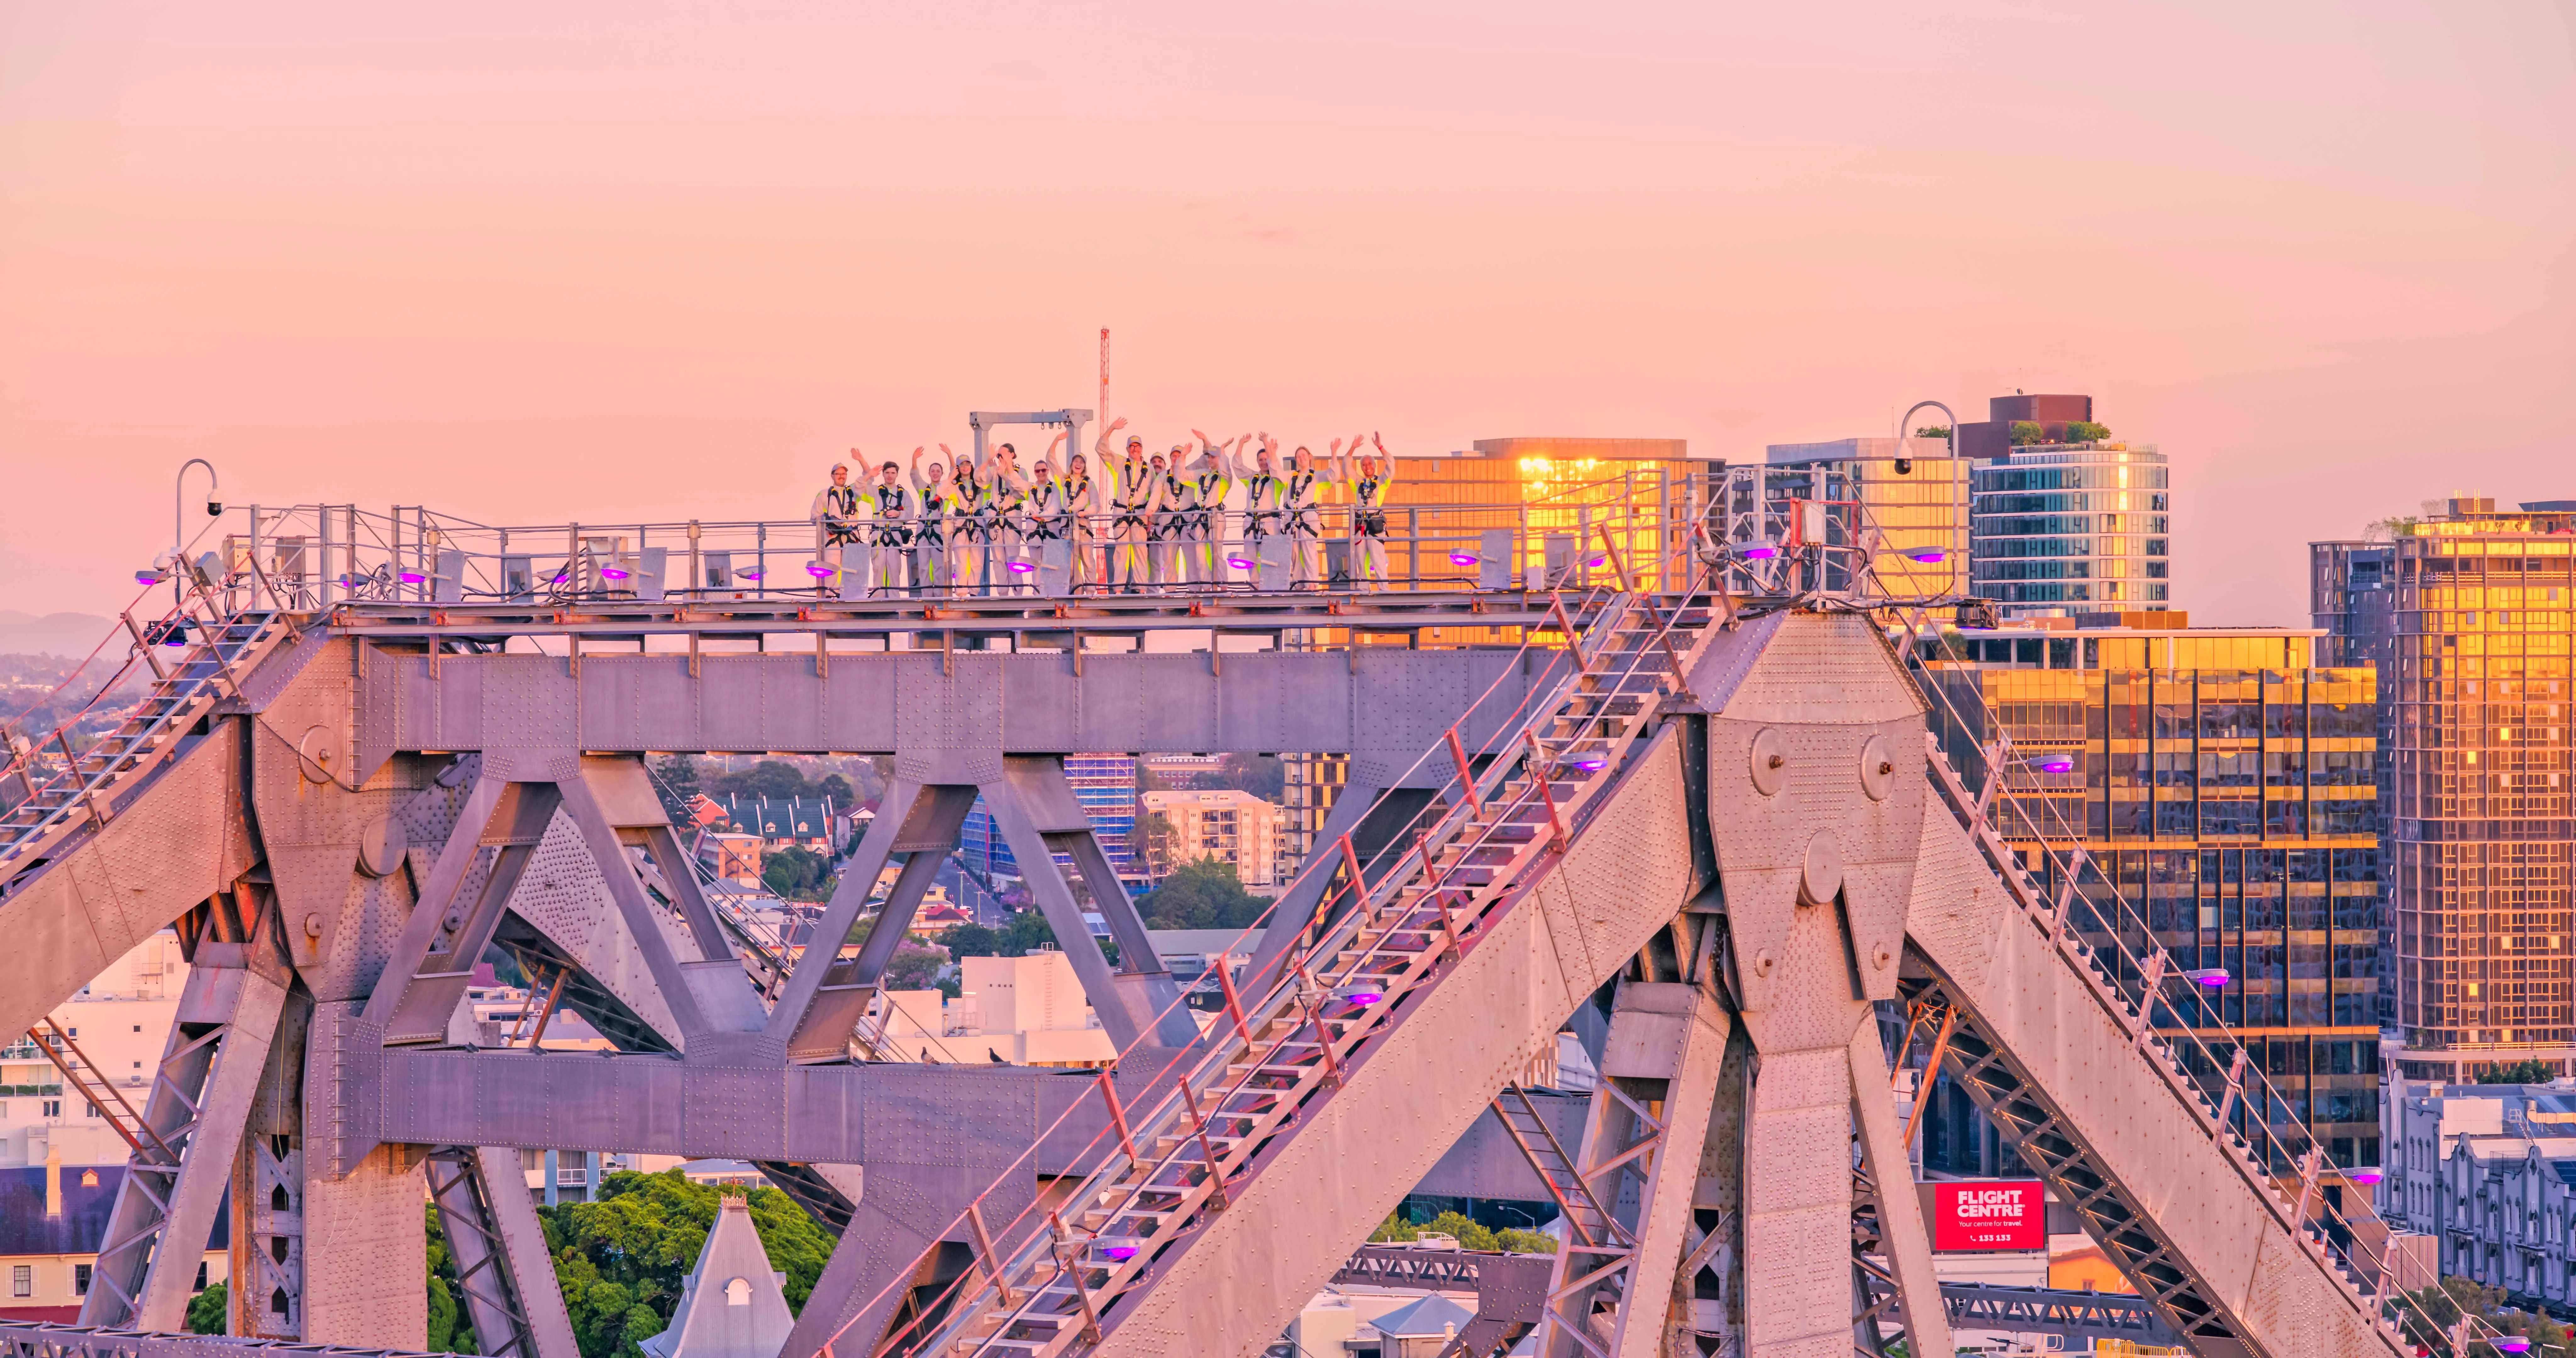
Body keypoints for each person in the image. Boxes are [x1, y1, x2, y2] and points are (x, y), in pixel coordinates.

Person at [1098, 420, 1158, 592]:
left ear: (1142, 449)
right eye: (1131, 447)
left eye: (1137, 446)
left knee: (1140, 551)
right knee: (1121, 552)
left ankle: (1141, 588)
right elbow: (1101, 449)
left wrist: (1151, 520)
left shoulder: (1150, 470)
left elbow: (1155, 496)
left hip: (1140, 514)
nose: (1135, 449)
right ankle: (1118, 587)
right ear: (1127, 450)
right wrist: (1111, 430)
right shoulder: (1119, 463)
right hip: (1121, 512)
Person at [1013, 432, 1075, 591]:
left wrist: (1056, 440)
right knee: (1036, 566)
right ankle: (1037, 594)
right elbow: (1015, 482)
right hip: (1035, 533)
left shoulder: (1056, 487)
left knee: (1052, 565)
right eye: (1038, 471)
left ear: (1047, 471)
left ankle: (1052, 594)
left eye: (1043, 470)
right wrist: (1007, 463)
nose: (1041, 473)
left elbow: (1055, 507)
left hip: (1052, 531)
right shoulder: (1031, 488)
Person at [1334, 432, 1394, 589]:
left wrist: (1380, 447)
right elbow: (1346, 468)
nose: (1367, 467)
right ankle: (1363, 589)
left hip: (1375, 525)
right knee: (1361, 560)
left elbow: (1391, 466)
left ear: (1375, 466)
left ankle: (1384, 589)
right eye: (1364, 465)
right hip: (1360, 525)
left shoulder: (1382, 481)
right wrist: (1353, 448)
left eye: (1370, 464)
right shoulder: (1357, 482)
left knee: (1378, 559)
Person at [1182, 429, 1240, 587]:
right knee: (1201, 555)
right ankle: (1206, 586)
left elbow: (1226, 470)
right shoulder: (1203, 474)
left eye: (1213, 457)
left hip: (1216, 516)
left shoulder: (1224, 479)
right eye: (1209, 456)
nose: (1210, 459)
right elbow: (1182, 476)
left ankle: (1222, 586)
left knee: (1217, 554)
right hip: (1201, 518)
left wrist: (1223, 449)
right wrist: (1183, 457)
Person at [1235, 433, 1286, 588]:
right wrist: (1241, 443)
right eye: (1261, 460)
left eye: (1266, 459)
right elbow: (1237, 466)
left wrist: (1268, 445)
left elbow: (1275, 465)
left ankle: (1271, 589)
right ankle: (1255, 587)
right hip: (1251, 522)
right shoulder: (1252, 477)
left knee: (1270, 559)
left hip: (1270, 523)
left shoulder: (1278, 479)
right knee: (1250, 558)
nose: (1264, 463)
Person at [1279, 440, 1330, 588]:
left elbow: (1333, 475)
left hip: (1308, 519)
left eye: (1303, 455)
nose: (1301, 459)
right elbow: (1277, 471)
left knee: (1309, 552)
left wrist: (1333, 453)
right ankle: (1297, 584)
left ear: (1310, 457)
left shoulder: (1316, 476)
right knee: (1295, 553)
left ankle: (1312, 584)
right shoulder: (1291, 477)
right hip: (1293, 520)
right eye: (1298, 457)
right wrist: (1270, 450)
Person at [908, 447, 960, 594]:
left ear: (942, 474)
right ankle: (926, 595)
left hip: (939, 529)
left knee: (939, 565)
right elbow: (915, 477)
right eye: (933, 471)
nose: (936, 473)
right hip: (924, 529)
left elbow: (954, 474)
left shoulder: (947, 489)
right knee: (923, 566)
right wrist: (915, 459)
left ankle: (939, 595)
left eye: (938, 471)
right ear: (929, 473)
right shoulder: (923, 489)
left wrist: (950, 454)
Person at [811, 461, 867, 594]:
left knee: (853, 569)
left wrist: (860, 460)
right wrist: (828, 520)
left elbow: (866, 479)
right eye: (838, 474)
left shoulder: (853, 492)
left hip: (851, 537)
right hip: (832, 538)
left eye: (844, 474)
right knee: (831, 568)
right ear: (832, 476)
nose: (842, 477)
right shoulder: (824, 494)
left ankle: (853, 596)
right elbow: (814, 516)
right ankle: (830, 595)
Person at [947, 443, 991, 594]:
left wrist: (988, 462)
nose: (965, 467)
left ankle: (974, 591)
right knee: (961, 561)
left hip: (977, 525)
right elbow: (943, 491)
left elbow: (987, 479)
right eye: (962, 465)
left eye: (968, 464)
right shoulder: (954, 485)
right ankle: (961, 592)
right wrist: (950, 461)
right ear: (958, 468)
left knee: (977, 562)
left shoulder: (979, 483)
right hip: (961, 524)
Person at [867, 460, 913, 595]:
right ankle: (877, 599)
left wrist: (898, 514)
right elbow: (860, 487)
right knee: (878, 568)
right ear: (883, 474)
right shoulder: (875, 491)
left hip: (896, 535)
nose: (890, 476)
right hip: (879, 535)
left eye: (893, 473)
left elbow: (910, 513)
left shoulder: (904, 493)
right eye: (887, 473)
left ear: (897, 474)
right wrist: (869, 473)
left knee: (894, 569)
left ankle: (894, 599)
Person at [1149, 445, 1188, 590]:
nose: (1157, 464)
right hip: (1155, 524)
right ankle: (1165, 591)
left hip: (1178, 522)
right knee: (1164, 560)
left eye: (1160, 461)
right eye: (1154, 462)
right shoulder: (1155, 477)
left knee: (1188, 558)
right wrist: (1150, 517)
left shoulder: (1188, 473)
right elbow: (1153, 499)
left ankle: (1193, 590)